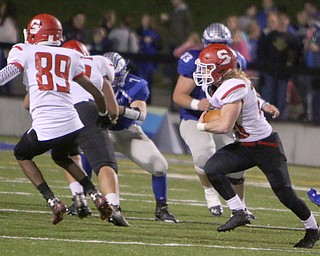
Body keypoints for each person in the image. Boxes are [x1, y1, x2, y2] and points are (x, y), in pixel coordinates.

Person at [194, 43, 320, 248]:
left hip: (265, 146)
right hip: (244, 144)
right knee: (212, 168)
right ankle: (239, 211)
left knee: (285, 194)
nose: (203, 72)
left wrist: (202, 125)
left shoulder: (233, 86)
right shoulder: (222, 84)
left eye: (208, 67)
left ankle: (313, 230)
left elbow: (225, 125)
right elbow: (250, 96)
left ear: (222, 68)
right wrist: (262, 104)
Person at [0, 14, 112, 224]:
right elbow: (98, 93)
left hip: (47, 125)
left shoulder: (24, 50)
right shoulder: (70, 55)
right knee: (61, 156)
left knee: (21, 154)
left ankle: (53, 201)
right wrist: (104, 115)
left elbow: (7, 74)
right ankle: (96, 195)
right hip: (72, 123)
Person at [172, 22, 279, 217]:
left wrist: (262, 104)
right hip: (196, 118)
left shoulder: (235, 60)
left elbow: (245, 89)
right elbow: (178, 95)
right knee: (204, 156)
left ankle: (240, 207)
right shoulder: (193, 61)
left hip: (225, 118)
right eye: (213, 44)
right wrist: (198, 104)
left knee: (237, 166)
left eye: (222, 44)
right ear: (204, 44)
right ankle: (210, 192)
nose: (218, 49)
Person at [60, 40, 129, 227]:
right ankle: (113, 208)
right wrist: (109, 117)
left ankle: (78, 197)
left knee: (69, 154)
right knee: (105, 163)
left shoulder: (54, 63)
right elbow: (112, 109)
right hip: (87, 108)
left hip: (60, 110)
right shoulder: (97, 62)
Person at [103, 51, 178, 223]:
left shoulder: (135, 84)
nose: (111, 80)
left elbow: (140, 114)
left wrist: (118, 109)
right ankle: (80, 199)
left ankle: (162, 209)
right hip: (101, 131)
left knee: (159, 166)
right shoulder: (89, 80)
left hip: (127, 132)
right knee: (82, 153)